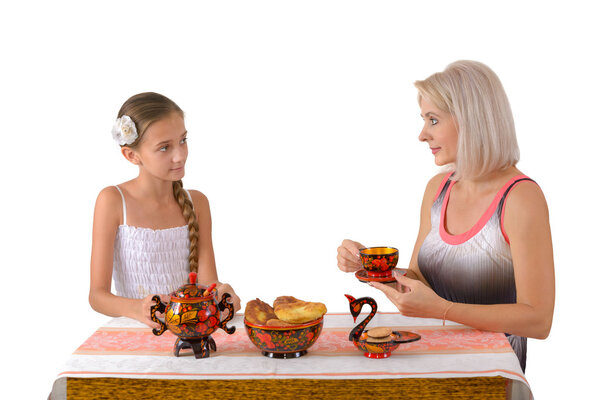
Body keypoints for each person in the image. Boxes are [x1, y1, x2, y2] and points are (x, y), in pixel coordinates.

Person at [336, 61, 554, 371]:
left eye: (433, 120)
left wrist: (443, 309)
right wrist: (372, 266)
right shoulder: (438, 189)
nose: (422, 135)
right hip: (431, 362)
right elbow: (418, 283)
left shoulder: (520, 198)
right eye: (424, 119)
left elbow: (538, 320)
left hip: (490, 374)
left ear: (472, 120)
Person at [89, 92, 241, 330]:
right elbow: (97, 296)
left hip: (190, 333)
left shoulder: (197, 203)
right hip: (135, 337)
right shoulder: (113, 201)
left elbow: (208, 283)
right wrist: (137, 308)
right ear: (132, 155)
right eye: (164, 148)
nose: (180, 155)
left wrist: (220, 292)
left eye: (183, 140)